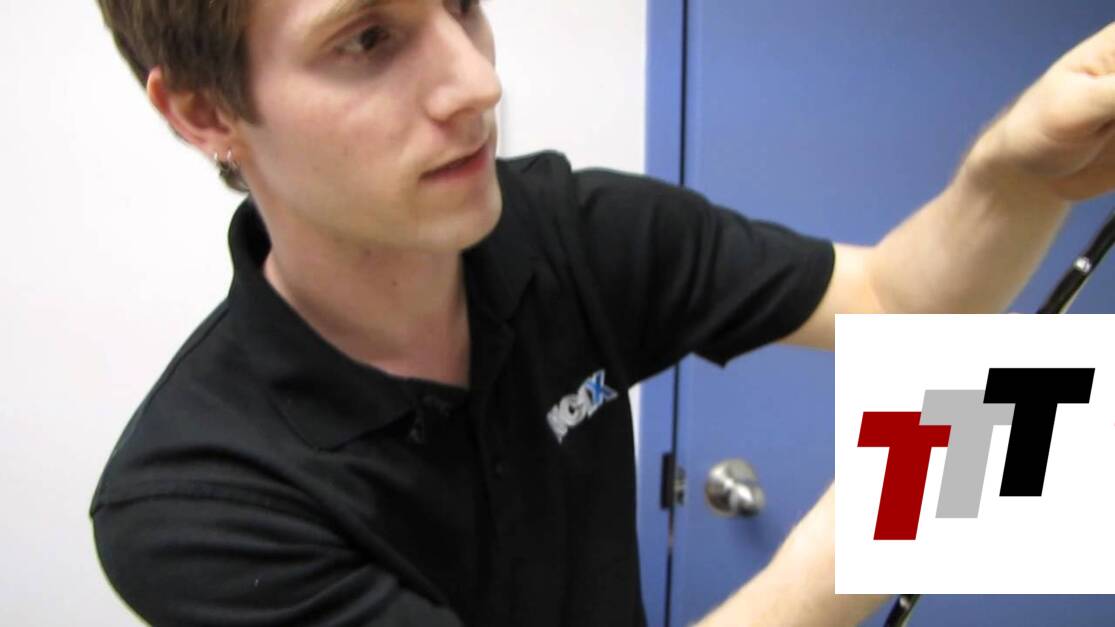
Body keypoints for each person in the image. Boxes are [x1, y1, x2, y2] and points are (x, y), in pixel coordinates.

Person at [88, 1, 1115, 625]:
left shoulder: (568, 231)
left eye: (462, 3)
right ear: (205, 112)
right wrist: (889, 514)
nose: (477, 82)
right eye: (367, 37)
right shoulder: (193, 506)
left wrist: (1015, 176)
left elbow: (890, 300)